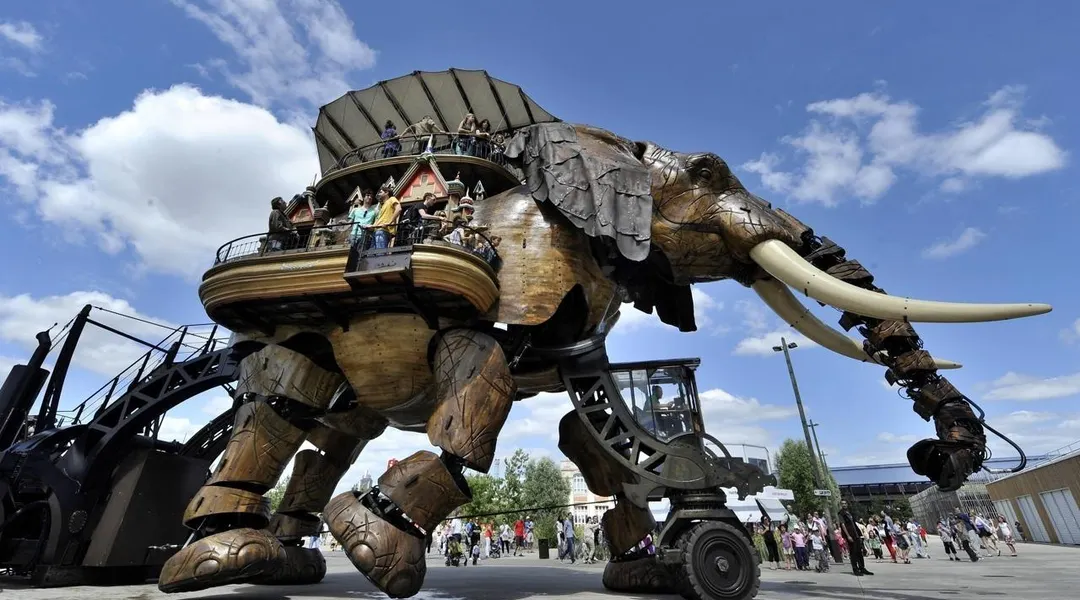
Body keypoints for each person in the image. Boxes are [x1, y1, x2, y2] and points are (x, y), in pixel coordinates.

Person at [839, 501, 872, 576]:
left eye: (845, 503)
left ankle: (862, 568)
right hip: (850, 534)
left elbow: (854, 523)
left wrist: (859, 534)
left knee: (859, 552)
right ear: (841, 505)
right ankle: (855, 569)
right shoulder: (841, 513)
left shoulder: (849, 513)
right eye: (842, 504)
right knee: (853, 552)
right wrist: (848, 536)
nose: (844, 505)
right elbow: (843, 524)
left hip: (856, 533)